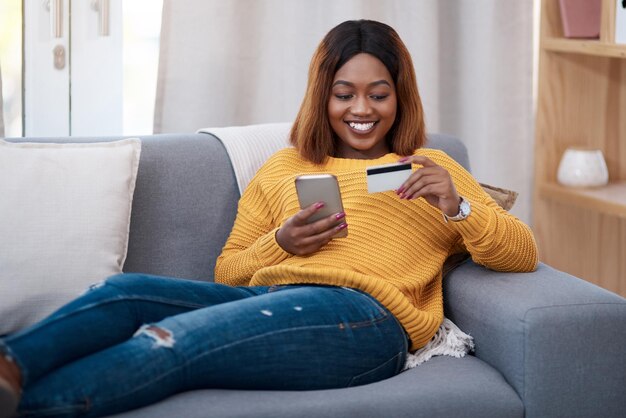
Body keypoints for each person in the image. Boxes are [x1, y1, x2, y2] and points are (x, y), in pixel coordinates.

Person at [0, 19, 538, 417]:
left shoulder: (431, 167)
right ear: (322, 95)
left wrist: (458, 206)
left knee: (170, 340)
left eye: (379, 95)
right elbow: (228, 271)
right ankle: (11, 368)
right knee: (124, 294)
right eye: (344, 94)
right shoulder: (285, 167)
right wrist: (282, 242)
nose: (362, 110)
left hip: (367, 321)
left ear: (400, 99)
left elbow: (521, 253)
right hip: (272, 299)